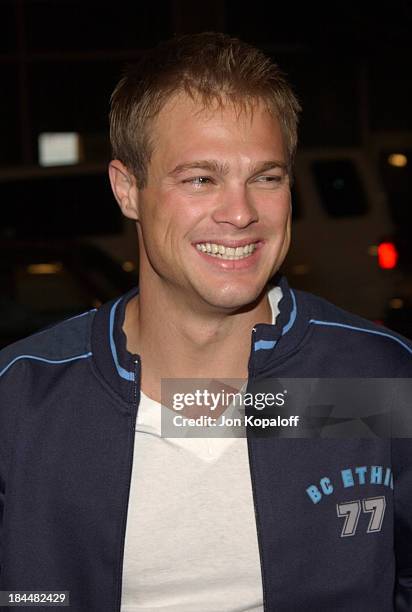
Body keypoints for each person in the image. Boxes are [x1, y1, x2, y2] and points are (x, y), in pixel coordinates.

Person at [0, 32, 411, 612]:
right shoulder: (21, 400)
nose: (240, 212)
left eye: (266, 177)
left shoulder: (377, 379)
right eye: (200, 178)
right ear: (127, 189)